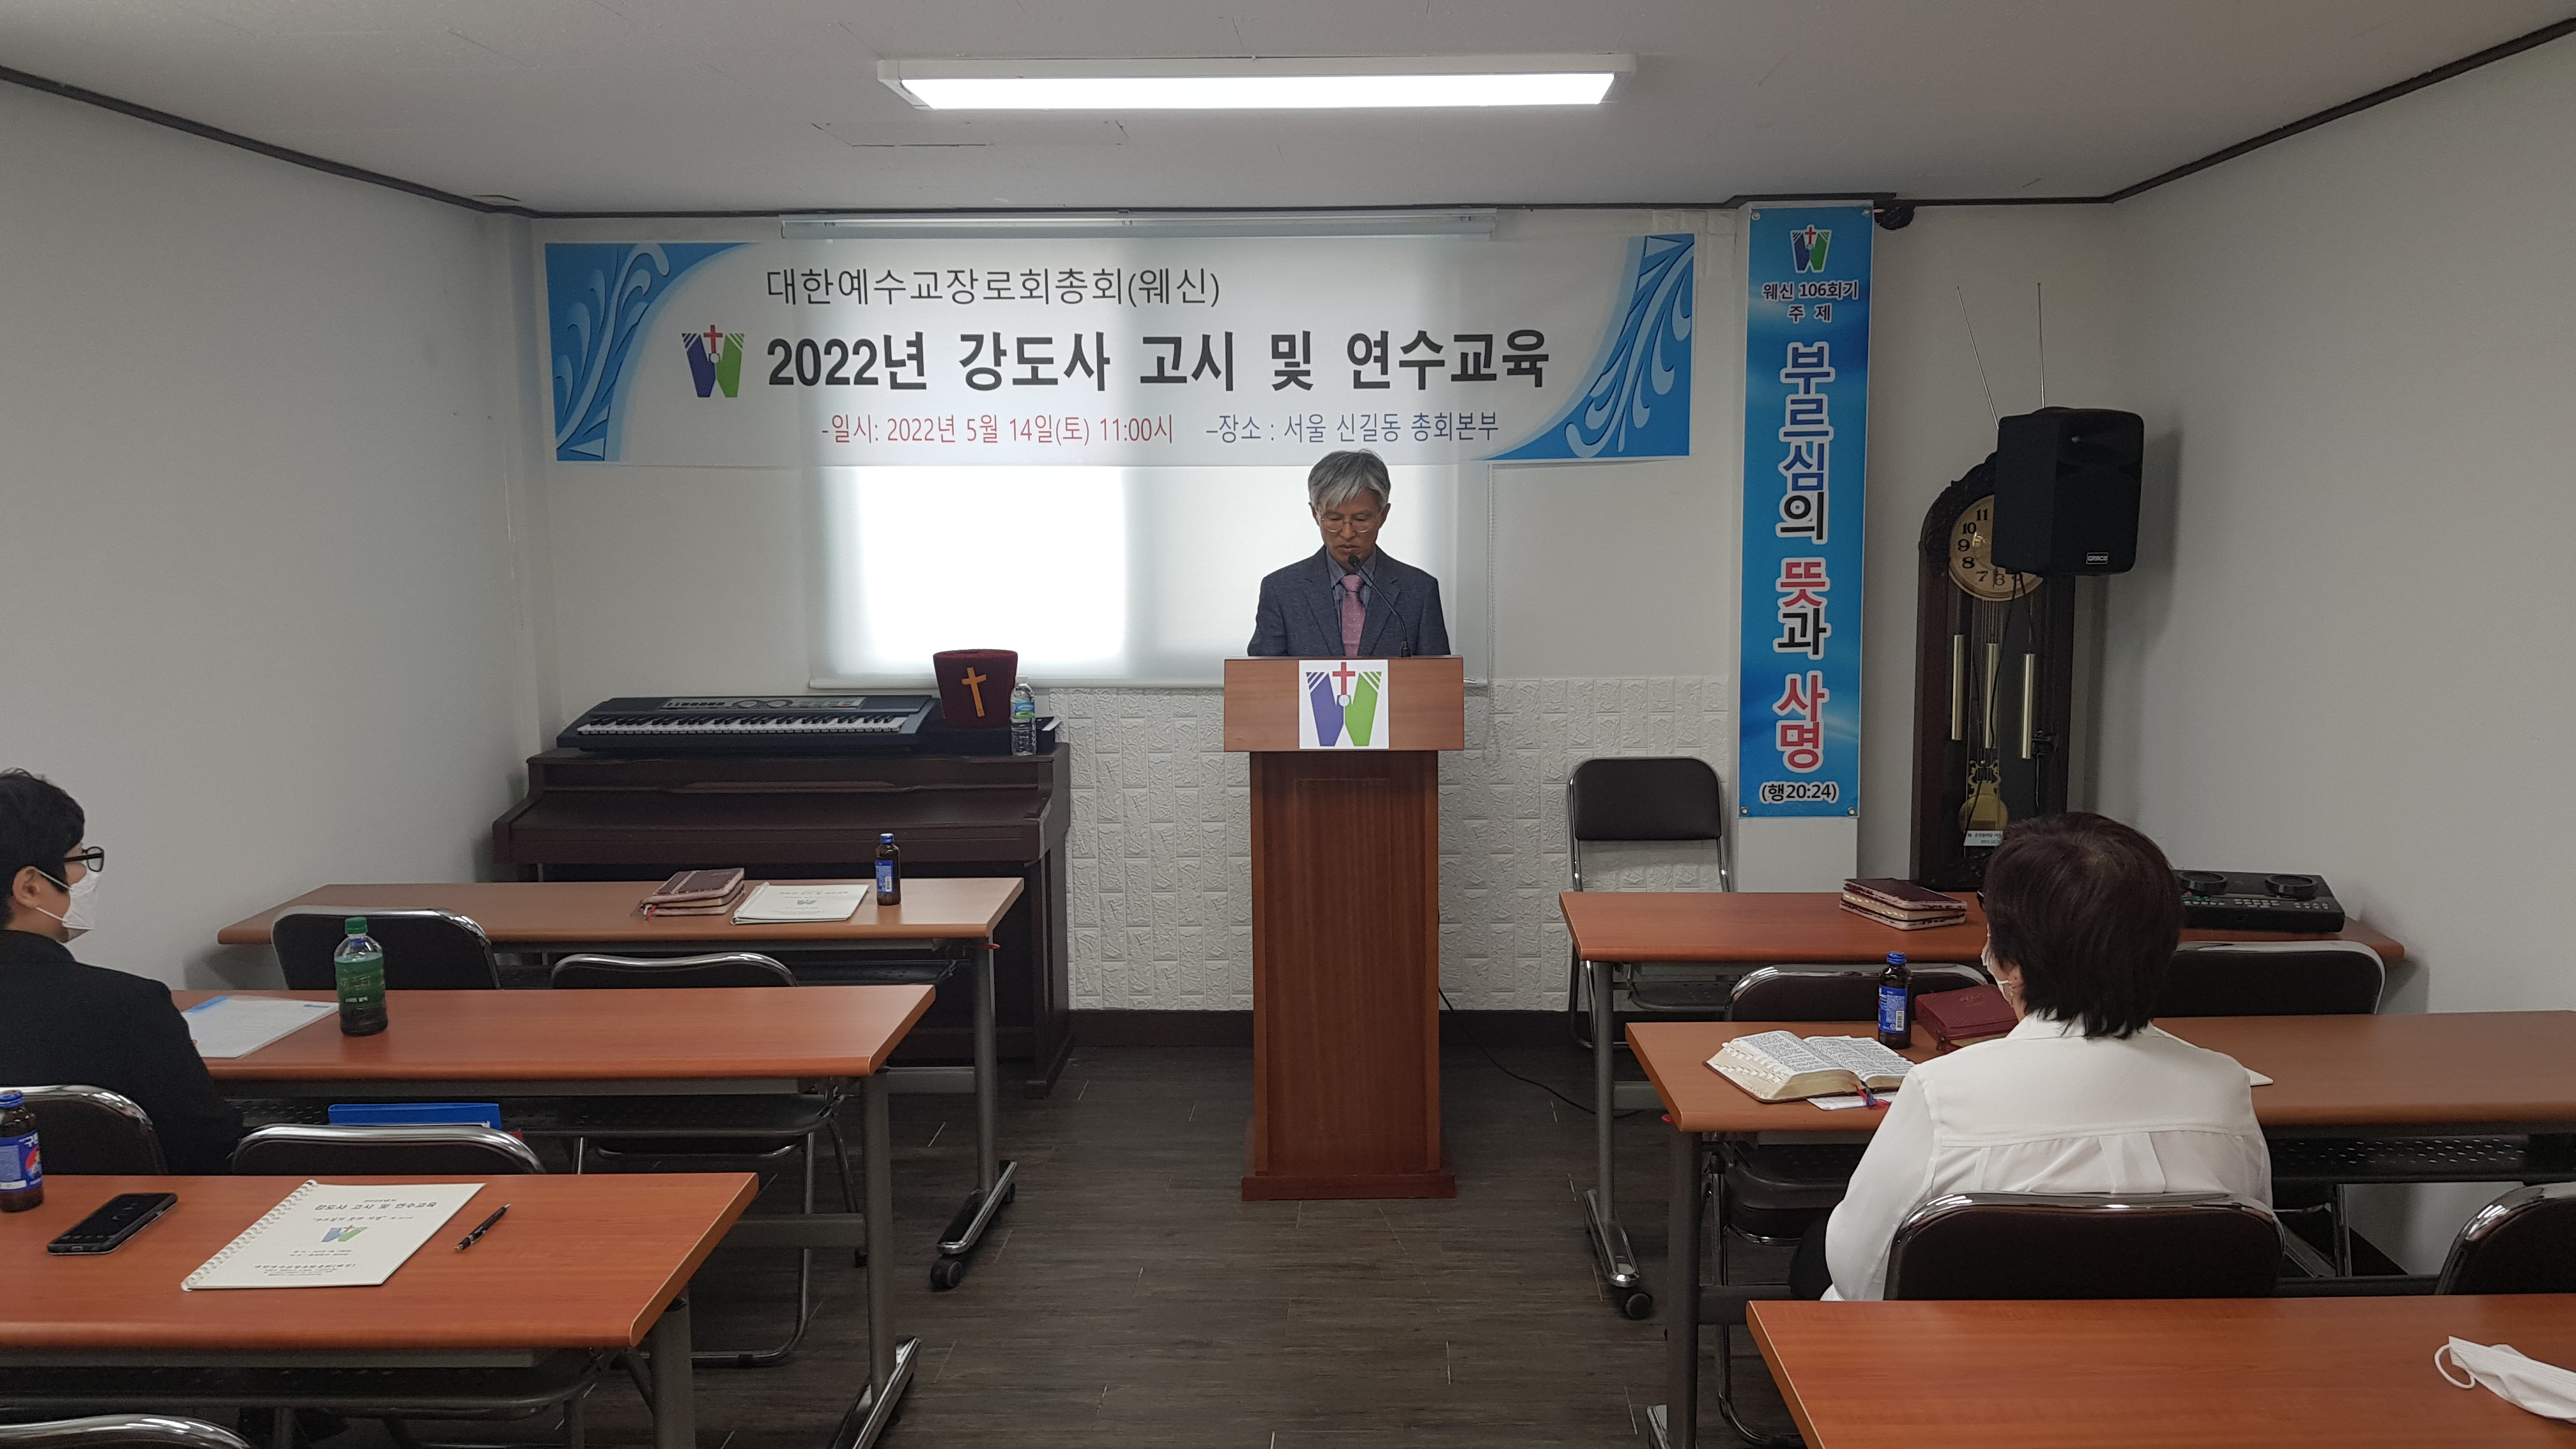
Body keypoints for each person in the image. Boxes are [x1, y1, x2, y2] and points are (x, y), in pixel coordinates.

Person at [1791, 811, 2271, 1300]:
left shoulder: (1942, 1095)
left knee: (1818, 1252)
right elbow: (2248, 1256)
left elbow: (1860, 1277)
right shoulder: (2223, 1088)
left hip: (1972, 1348)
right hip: (2173, 1346)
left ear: (2011, 963)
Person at [0, 769, 243, 1174]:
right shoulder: (128, 1006)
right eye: (79, 860)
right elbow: (210, 1148)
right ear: (30, 888)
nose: (87, 876)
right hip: (120, 1211)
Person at [1247, 450, 1450, 658]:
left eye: (1361, 519)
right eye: (1334, 519)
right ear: (1315, 514)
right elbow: (1262, 675)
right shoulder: (1281, 590)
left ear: (1383, 515)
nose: (1347, 533)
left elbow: (1438, 675)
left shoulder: (1419, 591)